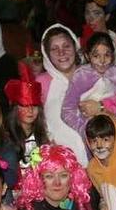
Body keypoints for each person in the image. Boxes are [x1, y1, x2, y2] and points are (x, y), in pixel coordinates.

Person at [62, 32, 116, 137]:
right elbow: (67, 110)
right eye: (96, 56)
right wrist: (84, 130)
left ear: (113, 55)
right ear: (87, 56)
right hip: (92, 134)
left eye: (107, 55)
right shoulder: (81, 76)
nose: (102, 61)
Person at [35, 24, 86, 164]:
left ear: (75, 47)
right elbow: (34, 121)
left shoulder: (92, 75)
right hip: (61, 167)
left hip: (97, 164)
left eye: (66, 46)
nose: (61, 53)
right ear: (47, 55)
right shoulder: (41, 82)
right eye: (54, 49)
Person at [4, 63, 49, 168]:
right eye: (25, 106)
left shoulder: (44, 137)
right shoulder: (5, 137)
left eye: (34, 106)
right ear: (16, 109)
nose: (30, 110)